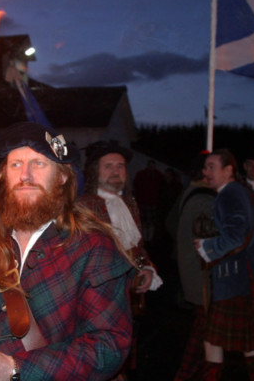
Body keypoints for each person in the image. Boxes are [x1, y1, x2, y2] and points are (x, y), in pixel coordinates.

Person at [0, 122, 134, 381]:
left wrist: (17, 368)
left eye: (39, 163)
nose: (25, 175)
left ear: (62, 176)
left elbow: (108, 344)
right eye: (16, 164)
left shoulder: (93, 247)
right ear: (3, 175)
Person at [194, 149, 254, 381]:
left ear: (228, 170)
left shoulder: (230, 194)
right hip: (250, 276)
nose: (206, 172)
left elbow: (237, 236)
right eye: (205, 167)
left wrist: (207, 246)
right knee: (250, 342)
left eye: (211, 167)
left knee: (213, 338)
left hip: (239, 278)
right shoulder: (240, 192)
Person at [78, 140, 163, 377]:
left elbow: (138, 247)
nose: (116, 171)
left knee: (122, 359)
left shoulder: (130, 203)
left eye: (120, 166)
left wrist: (147, 268)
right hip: (96, 299)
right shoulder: (83, 206)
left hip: (126, 298)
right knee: (97, 362)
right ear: (96, 170)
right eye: (109, 166)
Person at [171, 151, 216, 381]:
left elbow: (171, 224)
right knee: (204, 335)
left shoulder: (190, 193)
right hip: (201, 276)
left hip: (193, 272)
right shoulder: (204, 198)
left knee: (205, 334)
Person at [132, 159, 165, 242]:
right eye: (150, 165)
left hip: (153, 202)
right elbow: (136, 187)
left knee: (151, 221)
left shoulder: (158, 175)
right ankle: (144, 237)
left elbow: (161, 188)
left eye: (152, 166)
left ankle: (150, 238)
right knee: (143, 221)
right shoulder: (141, 174)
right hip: (143, 201)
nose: (151, 167)